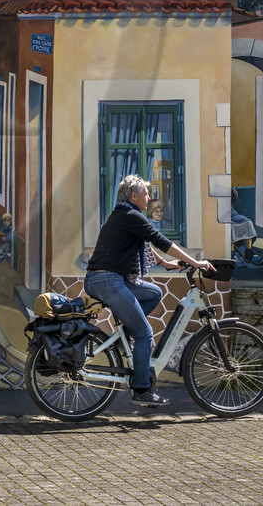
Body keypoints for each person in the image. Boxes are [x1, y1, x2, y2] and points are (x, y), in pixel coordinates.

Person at [85, 174, 212, 408]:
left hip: (108, 279)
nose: (149, 197)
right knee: (144, 334)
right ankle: (142, 389)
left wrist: (165, 264)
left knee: (153, 293)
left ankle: (126, 333)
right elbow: (160, 239)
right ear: (134, 196)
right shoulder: (130, 215)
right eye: (145, 192)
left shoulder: (126, 215)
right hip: (108, 280)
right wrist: (195, 262)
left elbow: (146, 243)